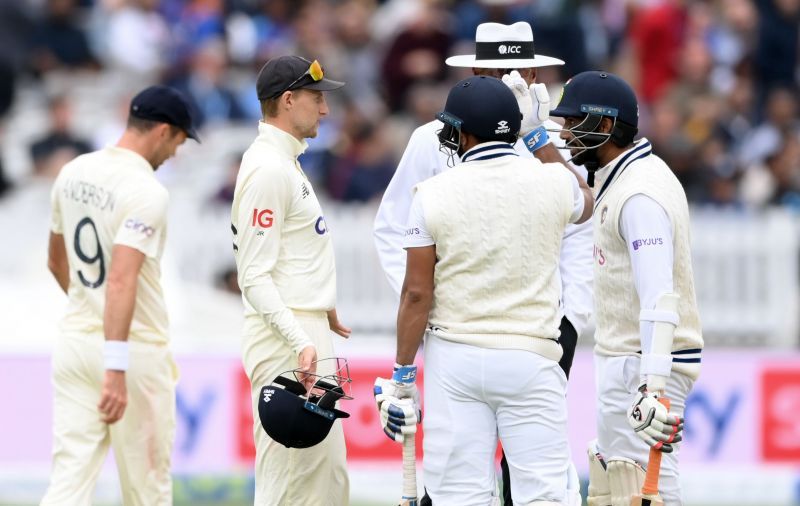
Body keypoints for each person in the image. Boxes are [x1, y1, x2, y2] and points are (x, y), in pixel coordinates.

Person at [372, 21, 592, 505]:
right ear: (477, 71)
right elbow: (395, 233)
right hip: (459, 330)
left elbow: (579, 231)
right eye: (499, 70)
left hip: (537, 329)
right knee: (473, 485)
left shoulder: (549, 134)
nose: (513, 80)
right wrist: (427, 311)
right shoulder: (435, 137)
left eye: (521, 71)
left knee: (520, 483)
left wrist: (572, 313)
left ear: (535, 77)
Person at [550, 71, 703, 505]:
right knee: (615, 484)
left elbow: (658, 296)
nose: (565, 134)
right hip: (634, 358)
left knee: (643, 488)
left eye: (572, 123)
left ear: (604, 126)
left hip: (644, 363)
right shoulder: (624, 173)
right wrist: (530, 137)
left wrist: (652, 387)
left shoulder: (639, 194)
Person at [44, 85, 199, 505]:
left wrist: (92, 311)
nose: (175, 154)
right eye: (180, 141)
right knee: (147, 491)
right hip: (131, 352)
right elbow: (120, 279)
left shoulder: (74, 170)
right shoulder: (146, 191)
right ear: (164, 131)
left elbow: (57, 263)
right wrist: (115, 364)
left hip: (75, 342)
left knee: (68, 484)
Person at [230, 55, 352, 506]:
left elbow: (288, 255)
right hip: (289, 341)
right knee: (291, 485)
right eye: (317, 98)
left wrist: (323, 303)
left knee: (324, 483)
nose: (325, 110)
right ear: (288, 100)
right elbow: (254, 276)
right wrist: (301, 338)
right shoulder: (268, 169)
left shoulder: (285, 163)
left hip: (303, 329)